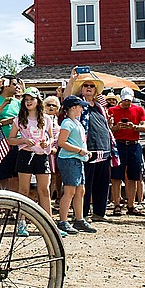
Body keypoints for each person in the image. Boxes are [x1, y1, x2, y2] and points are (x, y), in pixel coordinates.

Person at [69, 69, 114, 222]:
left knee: (102, 182)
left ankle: (100, 212)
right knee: (85, 183)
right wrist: (72, 80)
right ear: (81, 89)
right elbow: (66, 99)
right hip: (86, 149)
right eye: (85, 85)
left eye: (92, 86)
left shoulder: (100, 107)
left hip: (104, 148)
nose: (89, 88)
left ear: (95, 90)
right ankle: (83, 213)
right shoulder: (77, 105)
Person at [8, 86, 54, 225]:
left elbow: (52, 138)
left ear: (38, 101)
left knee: (44, 190)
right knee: (24, 190)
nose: (28, 102)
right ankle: (21, 222)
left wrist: (48, 143)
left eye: (31, 99)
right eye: (26, 99)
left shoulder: (46, 119)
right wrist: (23, 140)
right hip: (25, 155)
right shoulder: (19, 119)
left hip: (41, 155)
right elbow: (11, 139)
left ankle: (49, 224)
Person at [55, 94, 92, 235]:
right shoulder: (67, 123)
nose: (82, 109)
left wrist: (84, 152)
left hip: (77, 159)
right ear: (73, 108)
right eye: (80, 106)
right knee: (70, 191)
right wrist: (80, 150)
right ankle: (63, 221)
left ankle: (79, 219)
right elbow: (61, 143)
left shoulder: (76, 123)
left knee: (80, 191)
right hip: (69, 160)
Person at [108, 87, 145, 217]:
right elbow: (109, 128)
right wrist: (117, 127)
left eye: (129, 101)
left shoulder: (139, 109)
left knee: (133, 176)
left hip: (133, 144)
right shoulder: (112, 110)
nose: (127, 103)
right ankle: (117, 204)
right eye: (125, 100)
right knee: (116, 176)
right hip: (118, 143)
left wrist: (134, 127)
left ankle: (131, 204)